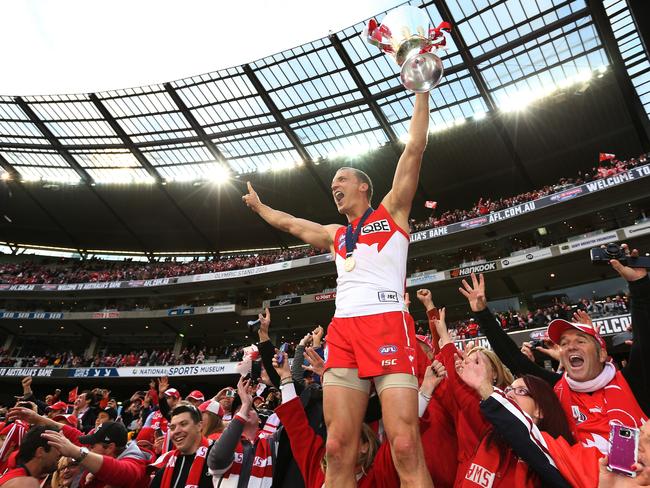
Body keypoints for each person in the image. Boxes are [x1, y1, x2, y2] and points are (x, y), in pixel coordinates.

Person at [243, 92, 432, 487]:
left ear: (364, 186)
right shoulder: (335, 235)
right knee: (336, 449)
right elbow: (293, 224)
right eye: (332, 184)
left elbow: (414, 147)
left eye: (342, 180)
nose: (335, 186)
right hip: (343, 330)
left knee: (403, 444)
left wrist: (421, 89)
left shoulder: (392, 210)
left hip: (387, 324)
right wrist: (261, 209)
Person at [458, 266, 648, 453]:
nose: (571, 346)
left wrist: (639, 284)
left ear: (601, 354)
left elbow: (644, 340)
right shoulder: (556, 389)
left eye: (580, 341)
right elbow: (514, 359)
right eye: (564, 343)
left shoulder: (633, 381)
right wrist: (482, 313)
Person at [207, 377, 275, 487]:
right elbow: (216, 460)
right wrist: (245, 406)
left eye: (251, 408)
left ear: (259, 419)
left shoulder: (273, 442)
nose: (246, 409)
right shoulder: (219, 439)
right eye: (238, 410)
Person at [149, 403, 213, 488]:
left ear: (199, 426)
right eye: (172, 428)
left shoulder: (216, 456)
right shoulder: (166, 462)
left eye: (183, 424)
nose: (176, 431)